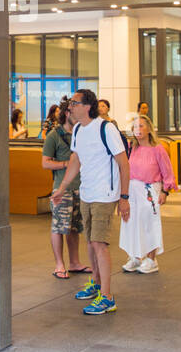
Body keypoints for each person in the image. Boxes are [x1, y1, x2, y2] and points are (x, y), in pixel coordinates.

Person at [52, 90, 130, 316]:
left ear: (88, 106)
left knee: (99, 243)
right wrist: (62, 188)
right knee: (90, 241)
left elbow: (123, 164)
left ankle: (107, 298)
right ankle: (97, 284)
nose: (70, 108)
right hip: (86, 192)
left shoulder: (106, 128)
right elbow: (76, 159)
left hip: (105, 194)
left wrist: (124, 198)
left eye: (74, 103)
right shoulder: (77, 129)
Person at [120, 115, 177, 274]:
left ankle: (151, 259)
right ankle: (136, 256)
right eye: (135, 126)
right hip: (133, 190)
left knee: (149, 223)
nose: (138, 129)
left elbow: (168, 171)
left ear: (149, 129)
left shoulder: (158, 149)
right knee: (131, 222)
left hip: (150, 189)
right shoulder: (133, 147)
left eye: (141, 126)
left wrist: (165, 191)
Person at [41, 99, 91, 279]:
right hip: (62, 190)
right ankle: (59, 264)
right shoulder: (54, 136)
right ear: (67, 114)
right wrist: (66, 164)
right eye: (74, 110)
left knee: (74, 228)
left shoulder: (81, 133)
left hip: (81, 188)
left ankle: (75, 262)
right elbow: (45, 163)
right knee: (59, 227)